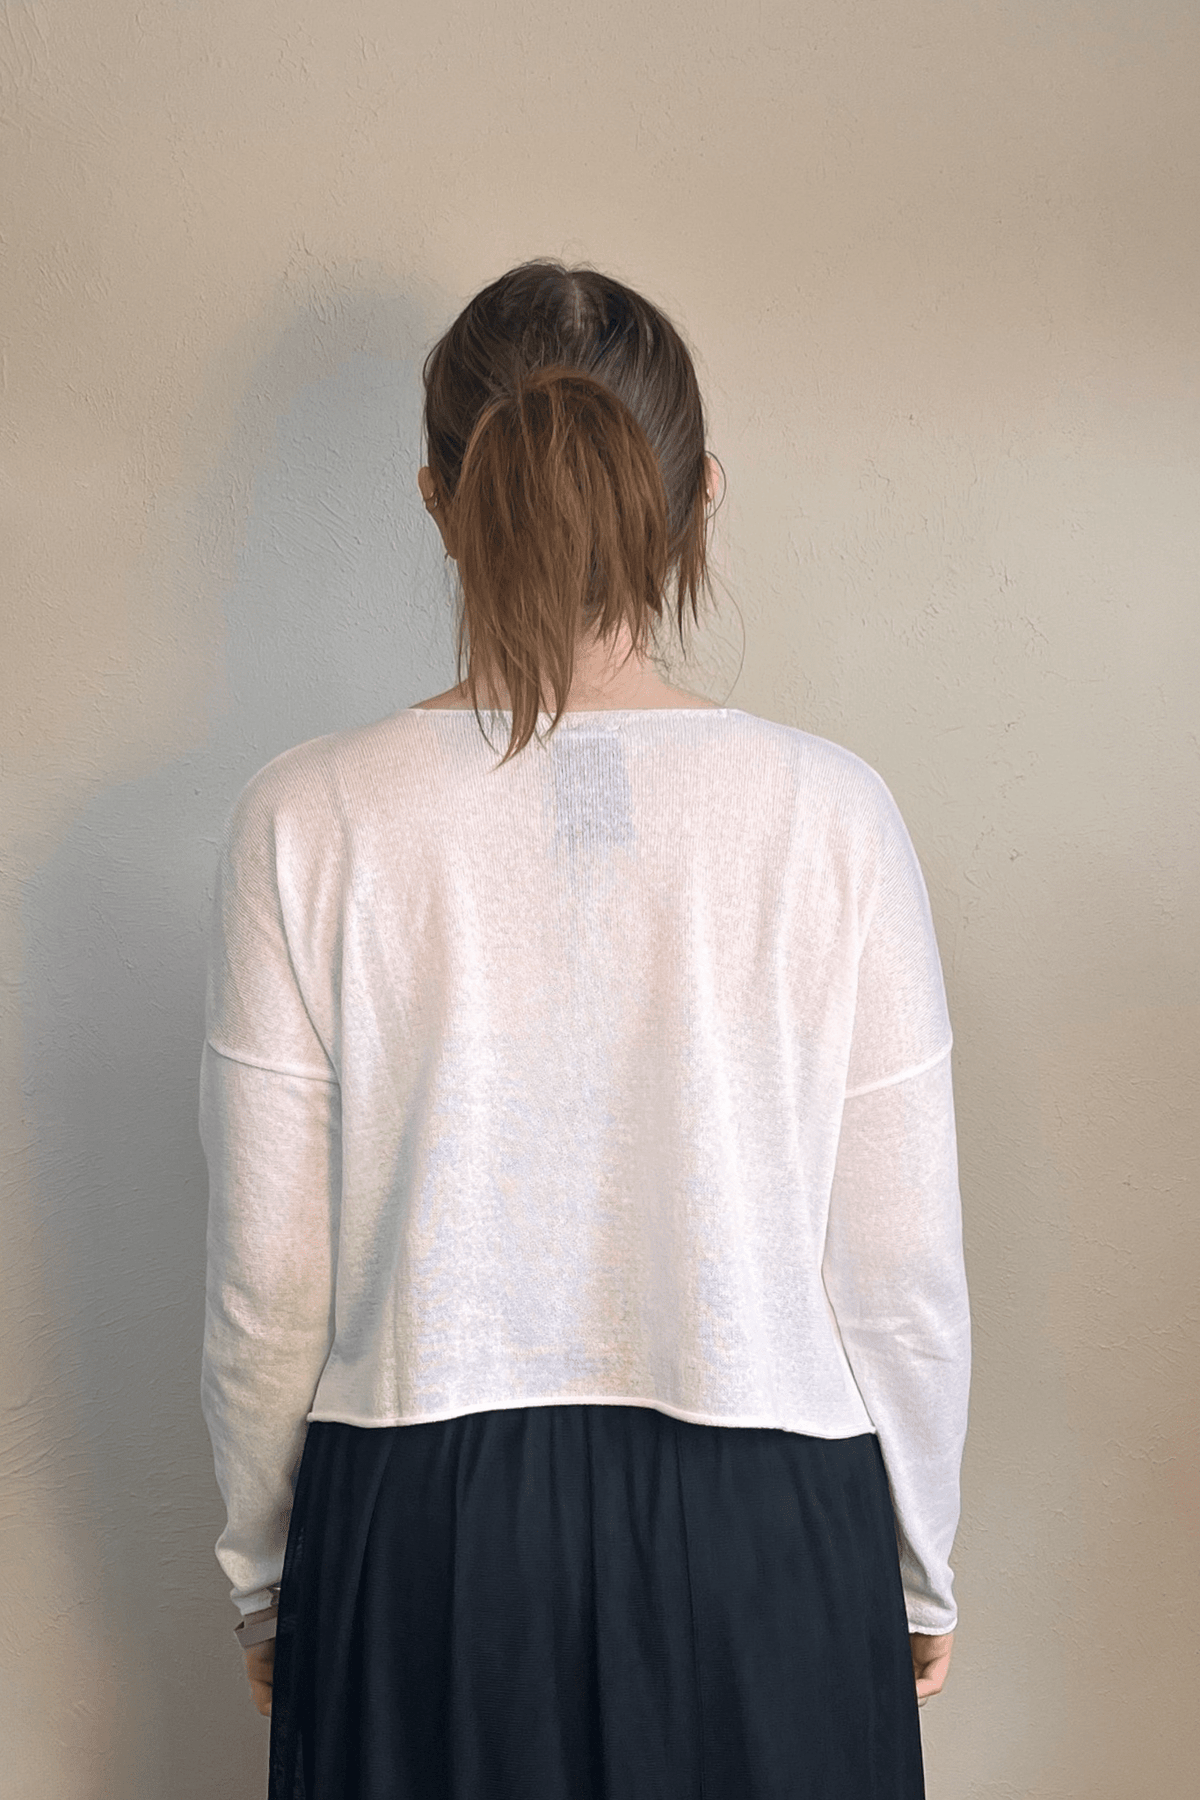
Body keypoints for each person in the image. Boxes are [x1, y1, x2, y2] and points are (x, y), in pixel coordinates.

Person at [200, 259, 970, 1799]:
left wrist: (267, 1575)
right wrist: (921, 1565)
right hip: (767, 1533)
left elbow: (270, 1282)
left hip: (422, 1533)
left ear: (438, 497)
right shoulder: (831, 815)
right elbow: (896, 1274)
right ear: (700, 498)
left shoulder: (309, 817)